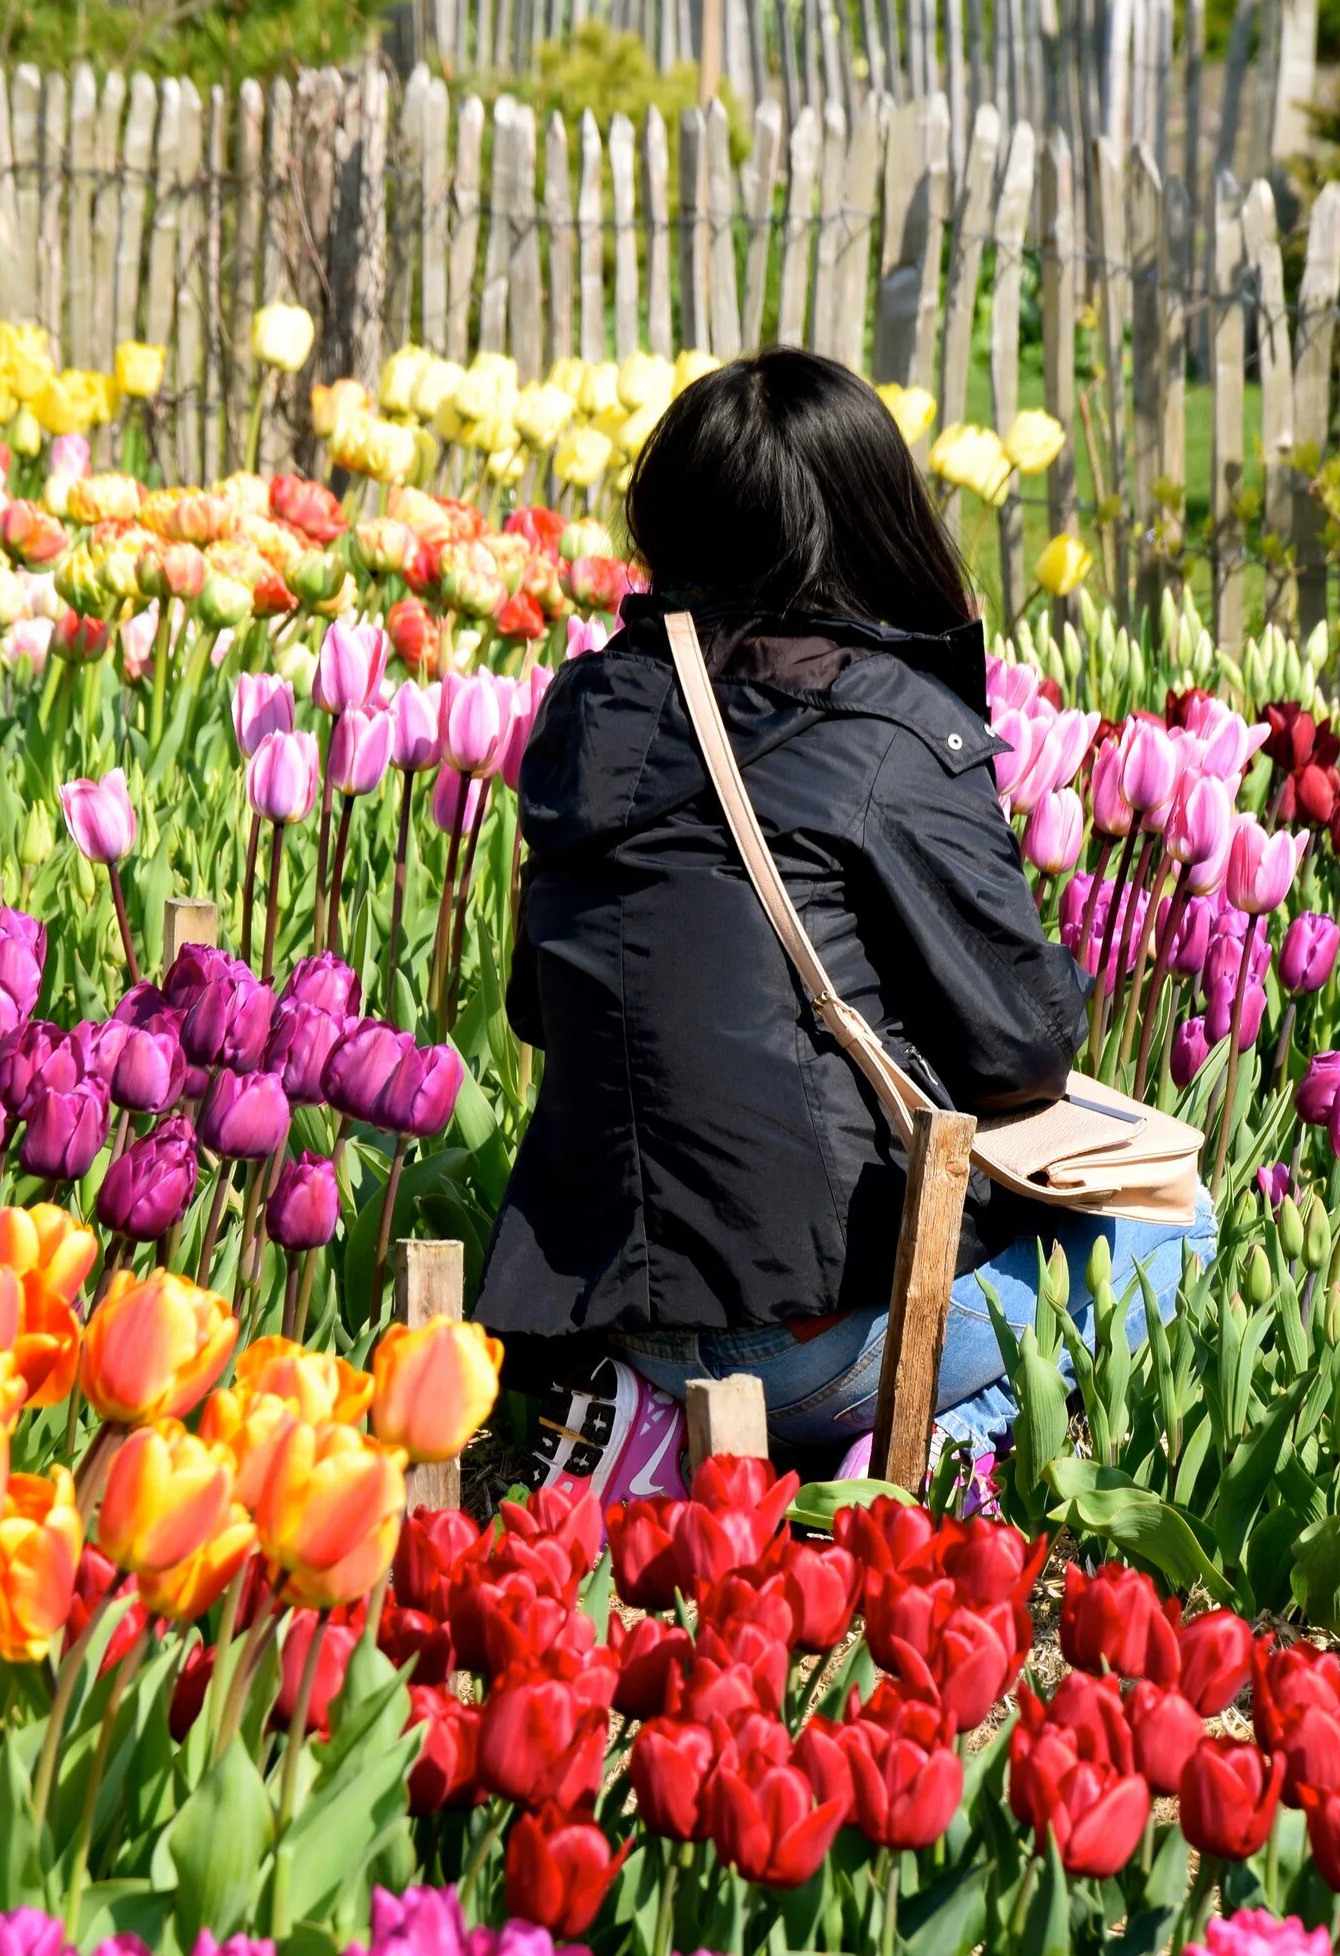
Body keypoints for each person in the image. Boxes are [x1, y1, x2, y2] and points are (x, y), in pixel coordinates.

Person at [473, 348, 1215, 1501]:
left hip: (607, 1312)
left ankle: (662, 1431)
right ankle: (935, 1447)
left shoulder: (586, 709)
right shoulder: (890, 725)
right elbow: (1020, 1050)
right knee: (1176, 1223)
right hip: (811, 1340)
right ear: (877, 517)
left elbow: (538, 1007)